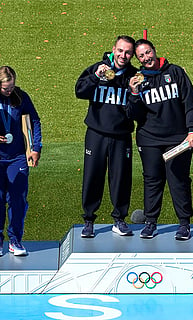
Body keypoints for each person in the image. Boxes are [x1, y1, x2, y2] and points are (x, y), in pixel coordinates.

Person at [126, 39, 193, 240]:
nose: (146, 58)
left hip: (178, 138)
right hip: (149, 139)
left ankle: (184, 223)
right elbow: (132, 114)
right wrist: (133, 93)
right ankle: (150, 222)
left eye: (148, 52)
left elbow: (190, 101)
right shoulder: (138, 80)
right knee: (152, 180)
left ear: (154, 51)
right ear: (138, 59)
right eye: (141, 56)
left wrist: (192, 130)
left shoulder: (175, 72)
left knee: (178, 179)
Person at [75, 35, 137, 238]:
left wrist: (134, 93)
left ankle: (119, 219)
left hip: (121, 135)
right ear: (113, 49)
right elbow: (80, 91)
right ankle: (88, 220)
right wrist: (95, 77)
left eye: (128, 52)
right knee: (92, 176)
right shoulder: (98, 68)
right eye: (120, 51)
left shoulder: (134, 75)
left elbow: (138, 110)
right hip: (96, 133)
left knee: (121, 178)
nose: (123, 55)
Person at [0, 66, 42, 256]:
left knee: (17, 199)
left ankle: (15, 239)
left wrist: (35, 148)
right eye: (6, 88)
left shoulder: (20, 96)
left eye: (12, 87)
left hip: (17, 156)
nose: (10, 91)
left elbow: (35, 121)